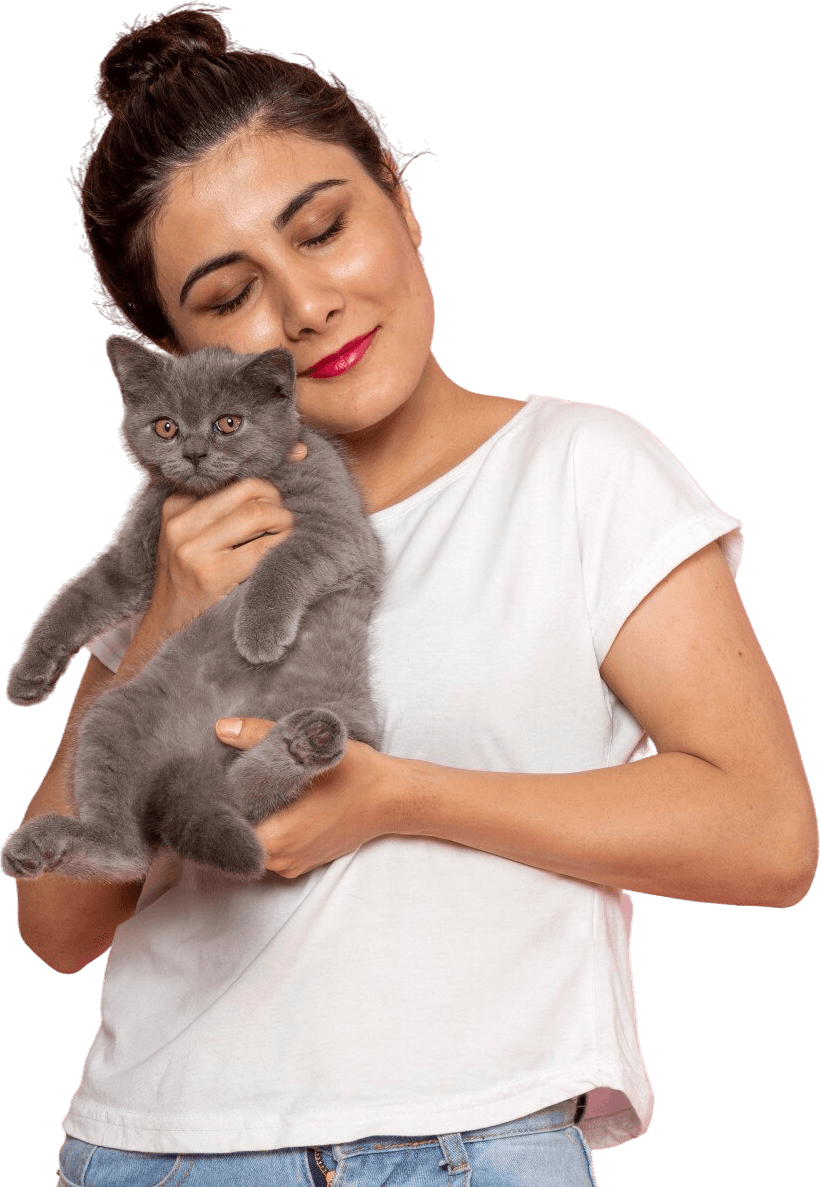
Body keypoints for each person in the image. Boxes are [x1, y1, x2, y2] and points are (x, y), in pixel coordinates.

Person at [7, 5, 816, 1186]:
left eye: (323, 228)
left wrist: (391, 798)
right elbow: (57, 927)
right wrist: (164, 628)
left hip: (472, 1146)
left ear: (398, 193)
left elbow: (767, 837)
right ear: (178, 351)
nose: (305, 307)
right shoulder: (192, 540)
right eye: (229, 295)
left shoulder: (583, 470)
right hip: (157, 1151)